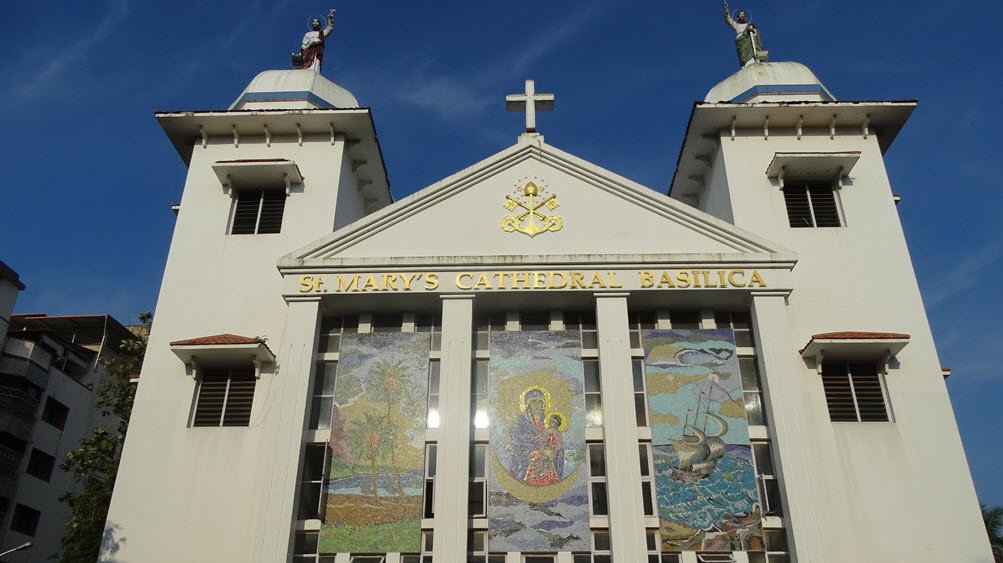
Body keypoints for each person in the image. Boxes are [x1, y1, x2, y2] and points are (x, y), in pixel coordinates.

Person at [723, 2, 767, 67]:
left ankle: (759, 59)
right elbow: (728, 19)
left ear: (745, 17)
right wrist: (726, 8)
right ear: (737, 18)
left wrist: (754, 31)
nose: (742, 15)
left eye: (743, 14)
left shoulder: (749, 25)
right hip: (743, 43)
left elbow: (756, 35)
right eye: (740, 14)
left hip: (751, 43)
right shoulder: (736, 25)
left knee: (756, 55)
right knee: (746, 60)